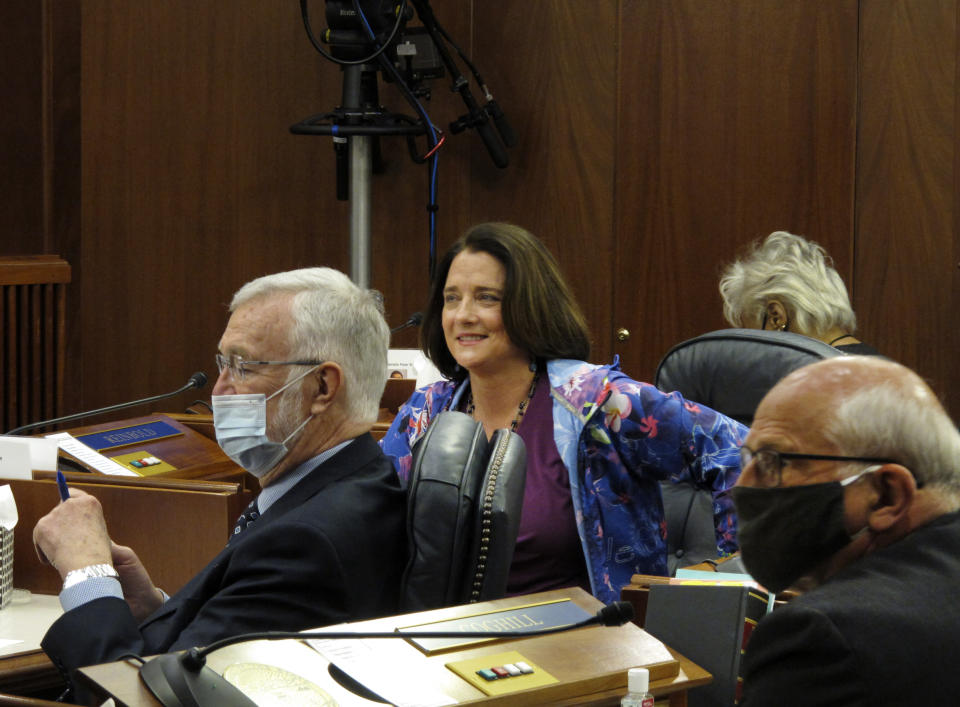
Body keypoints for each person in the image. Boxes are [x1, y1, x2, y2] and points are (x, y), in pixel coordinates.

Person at [34, 267, 406, 680]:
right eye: (223, 364)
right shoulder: (352, 484)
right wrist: (156, 610)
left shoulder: (307, 541)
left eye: (244, 367)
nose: (219, 389)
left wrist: (87, 575)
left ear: (322, 387)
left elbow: (142, 698)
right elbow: (221, 656)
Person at [380, 222, 746, 604]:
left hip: (582, 648)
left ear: (530, 305)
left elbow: (745, 453)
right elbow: (371, 524)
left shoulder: (600, 403)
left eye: (487, 298)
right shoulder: (425, 411)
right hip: (441, 645)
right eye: (451, 298)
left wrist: (718, 585)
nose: (463, 315)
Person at [733, 356, 960, 706]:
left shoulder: (821, 640)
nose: (742, 486)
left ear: (887, 495)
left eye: (773, 460)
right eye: (749, 460)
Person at [719, 230, 881, 355]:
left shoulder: (813, 382)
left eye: (753, 334)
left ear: (776, 317)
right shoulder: (882, 367)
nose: (755, 349)